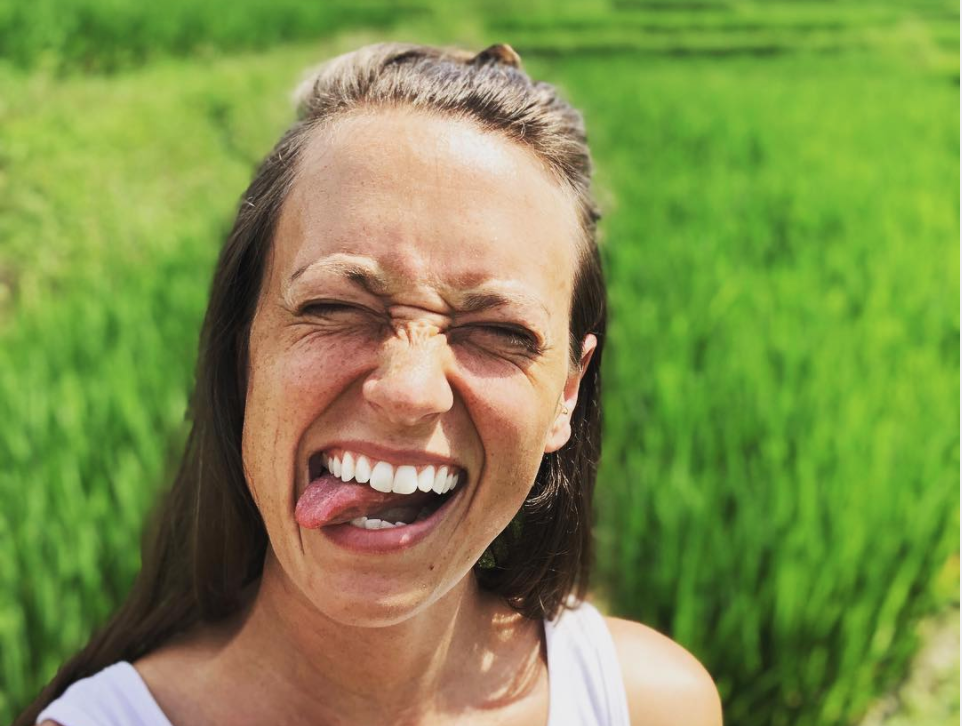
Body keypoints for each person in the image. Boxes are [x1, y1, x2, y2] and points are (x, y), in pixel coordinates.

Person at [20, 42, 722, 726]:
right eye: (336, 308)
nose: (409, 391)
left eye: (497, 331)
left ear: (567, 392)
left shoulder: (649, 706)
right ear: (244, 352)